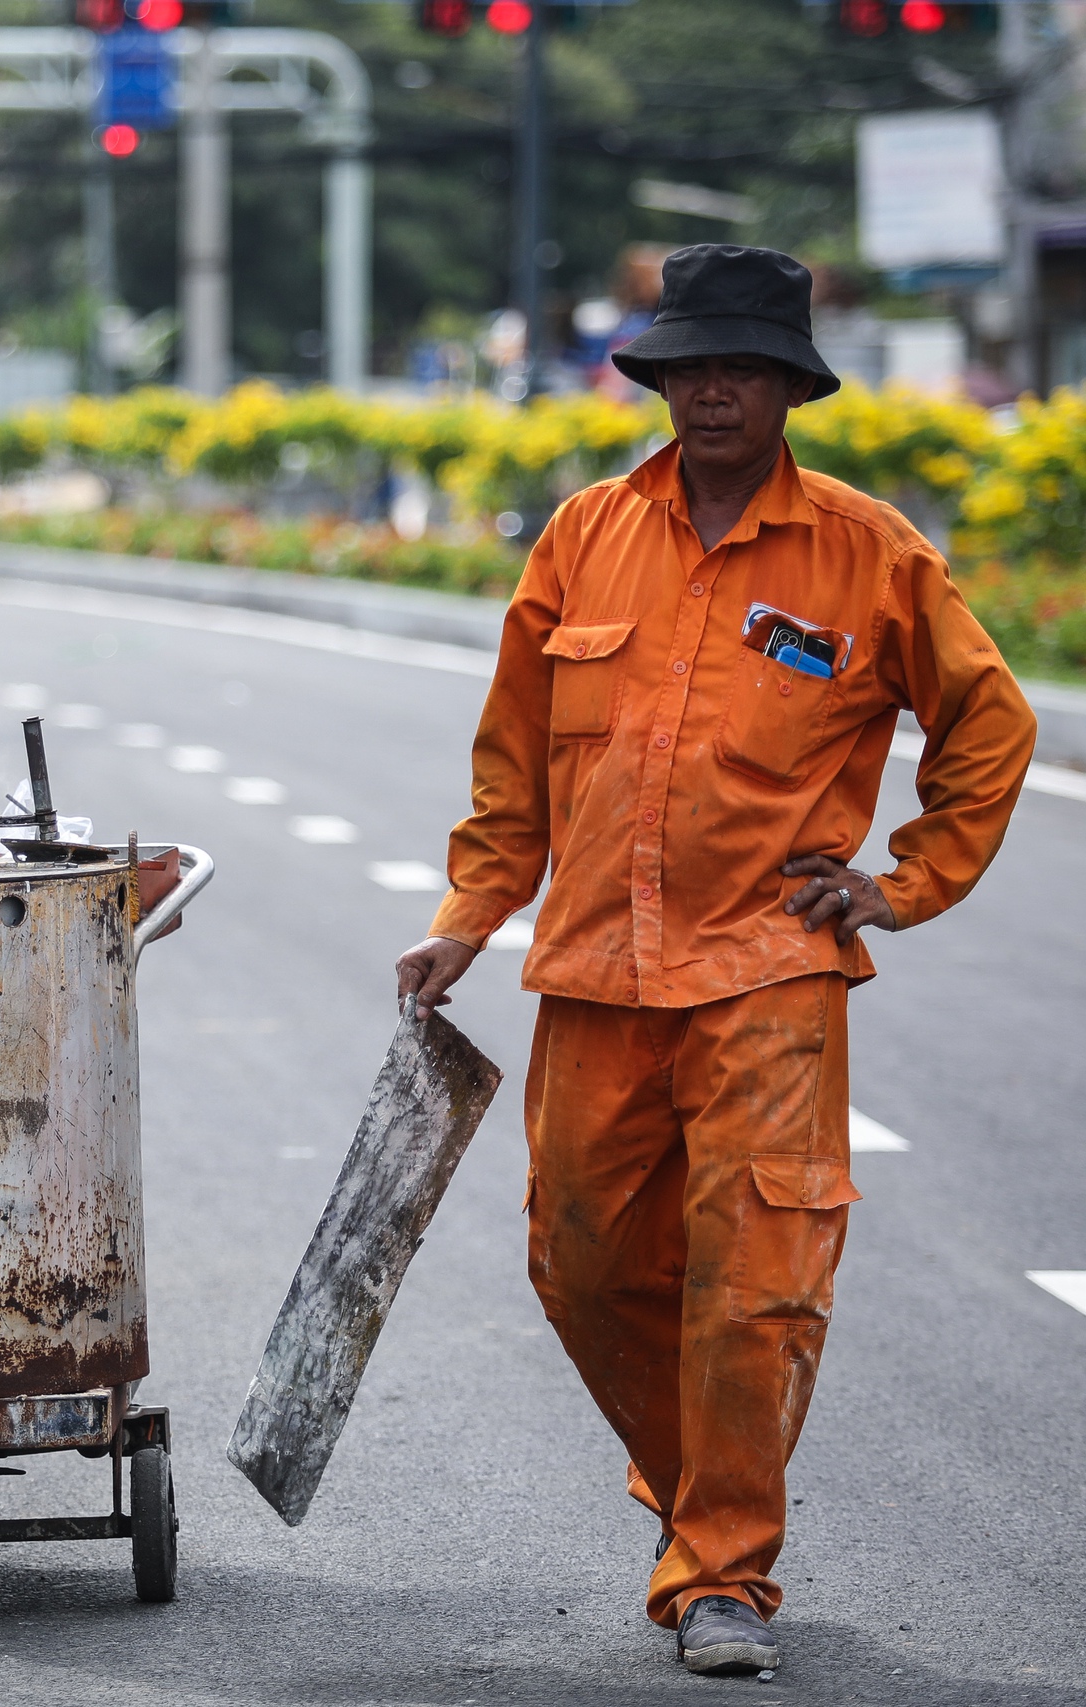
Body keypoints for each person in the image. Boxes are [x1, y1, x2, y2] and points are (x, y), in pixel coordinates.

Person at [393, 245, 1035, 1677]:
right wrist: (470, 910)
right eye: (689, 369)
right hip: (595, 970)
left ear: (790, 387)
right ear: (662, 380)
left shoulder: (871, 552)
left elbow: (989, 726)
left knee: (754, 1277)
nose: (711, 393)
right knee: (579, 1255)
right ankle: (703, 1497)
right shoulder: (582, 534)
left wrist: (904, 881)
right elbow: (512, 761)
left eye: (740, 369)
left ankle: (724, 1569)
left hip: (770, 971)